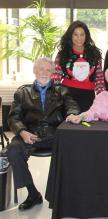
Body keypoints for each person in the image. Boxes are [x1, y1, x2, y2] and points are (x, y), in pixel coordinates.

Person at [6, 58, 79, 211]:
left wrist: (72, 114)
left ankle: (68, 195)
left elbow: (72, 106)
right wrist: (22, 131)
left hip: (56, 134)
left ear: (52, 73)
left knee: (77, 149)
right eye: (41, 69)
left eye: (48, 70)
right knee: (13, 150)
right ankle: (33, 194)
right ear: (34, 71)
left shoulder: (62, 90)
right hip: (31, 134)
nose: (44, 73)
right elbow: (13, 117)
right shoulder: (22, 92)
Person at [52, 20, 105, 112]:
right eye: (75, 34)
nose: (79, 38)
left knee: (86, 124)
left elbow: (99, 80)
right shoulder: (63, 54)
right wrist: (51, 96)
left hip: (88, 96)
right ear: (70, 36)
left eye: (82, 34)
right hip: (67, 96)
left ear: (86, 36)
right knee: (67, 125)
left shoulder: (94, 54)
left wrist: (103, 99)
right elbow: (55, 77)